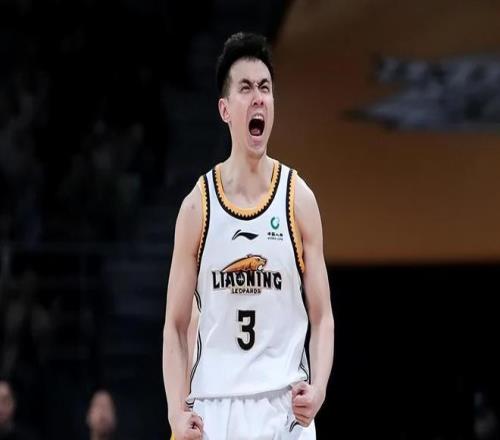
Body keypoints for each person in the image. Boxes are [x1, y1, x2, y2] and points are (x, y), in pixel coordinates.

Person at [162, 32, 334, 440]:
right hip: (216, 406)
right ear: (225, 109)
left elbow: (322, 316)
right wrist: (175, 411)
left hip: (284, 407)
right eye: (246, 88)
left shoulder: (298, 198)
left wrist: (320, 388)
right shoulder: (197, 207)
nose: (258, 98)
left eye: (265, 88)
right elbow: (175, 325)